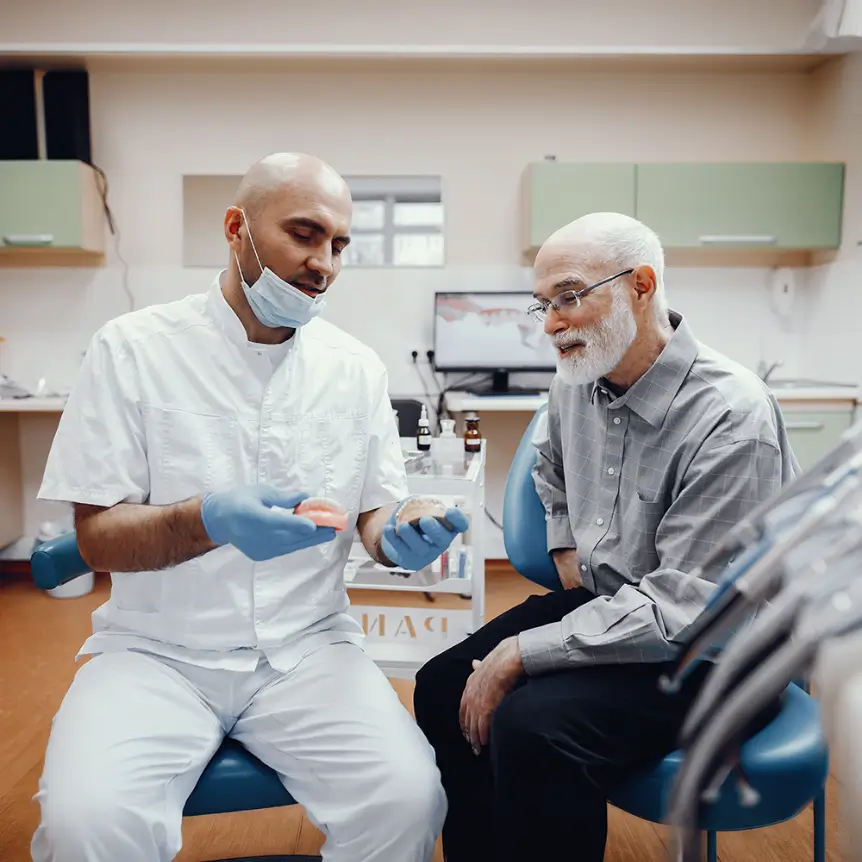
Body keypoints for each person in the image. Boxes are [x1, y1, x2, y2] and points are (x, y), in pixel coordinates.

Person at [32, 152, 467, 862]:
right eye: (304, 233)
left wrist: (401, 533)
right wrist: (203, 519)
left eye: (339, 245)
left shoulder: (355, 369)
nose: (323, 262)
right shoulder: (132, 350)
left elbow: (376, 514)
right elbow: (97, 538)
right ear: (236, 227)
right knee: (87, 824)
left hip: (310, 650)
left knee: (409, 799)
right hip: (155, 651)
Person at [413, 212, 799, 862]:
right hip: (618, 608)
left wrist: (522, 653)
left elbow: (686, 607)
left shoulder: (732, 416)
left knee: (534, 727)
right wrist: (565, 547)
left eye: (568, 297)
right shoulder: (576, 380)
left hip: (715, 650)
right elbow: (548, 463)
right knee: (442, 682)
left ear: (641, 286)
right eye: (543, 305)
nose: (549, 324)